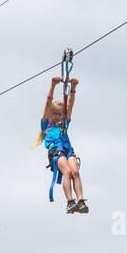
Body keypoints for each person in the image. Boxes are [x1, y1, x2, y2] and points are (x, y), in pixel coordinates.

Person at [41, 75, 88, 214]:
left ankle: (80, 200)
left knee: (75, 172)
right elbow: (47, 104)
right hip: (56, 151)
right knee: (66, 171)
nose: (58, 116)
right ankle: (70, 201)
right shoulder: (46, 125)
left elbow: (70, 105)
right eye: (55, 114)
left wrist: (73, 88)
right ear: (50, 114)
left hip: (68, 150)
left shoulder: (64, 124)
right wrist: (53, 85)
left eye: (60, 114)